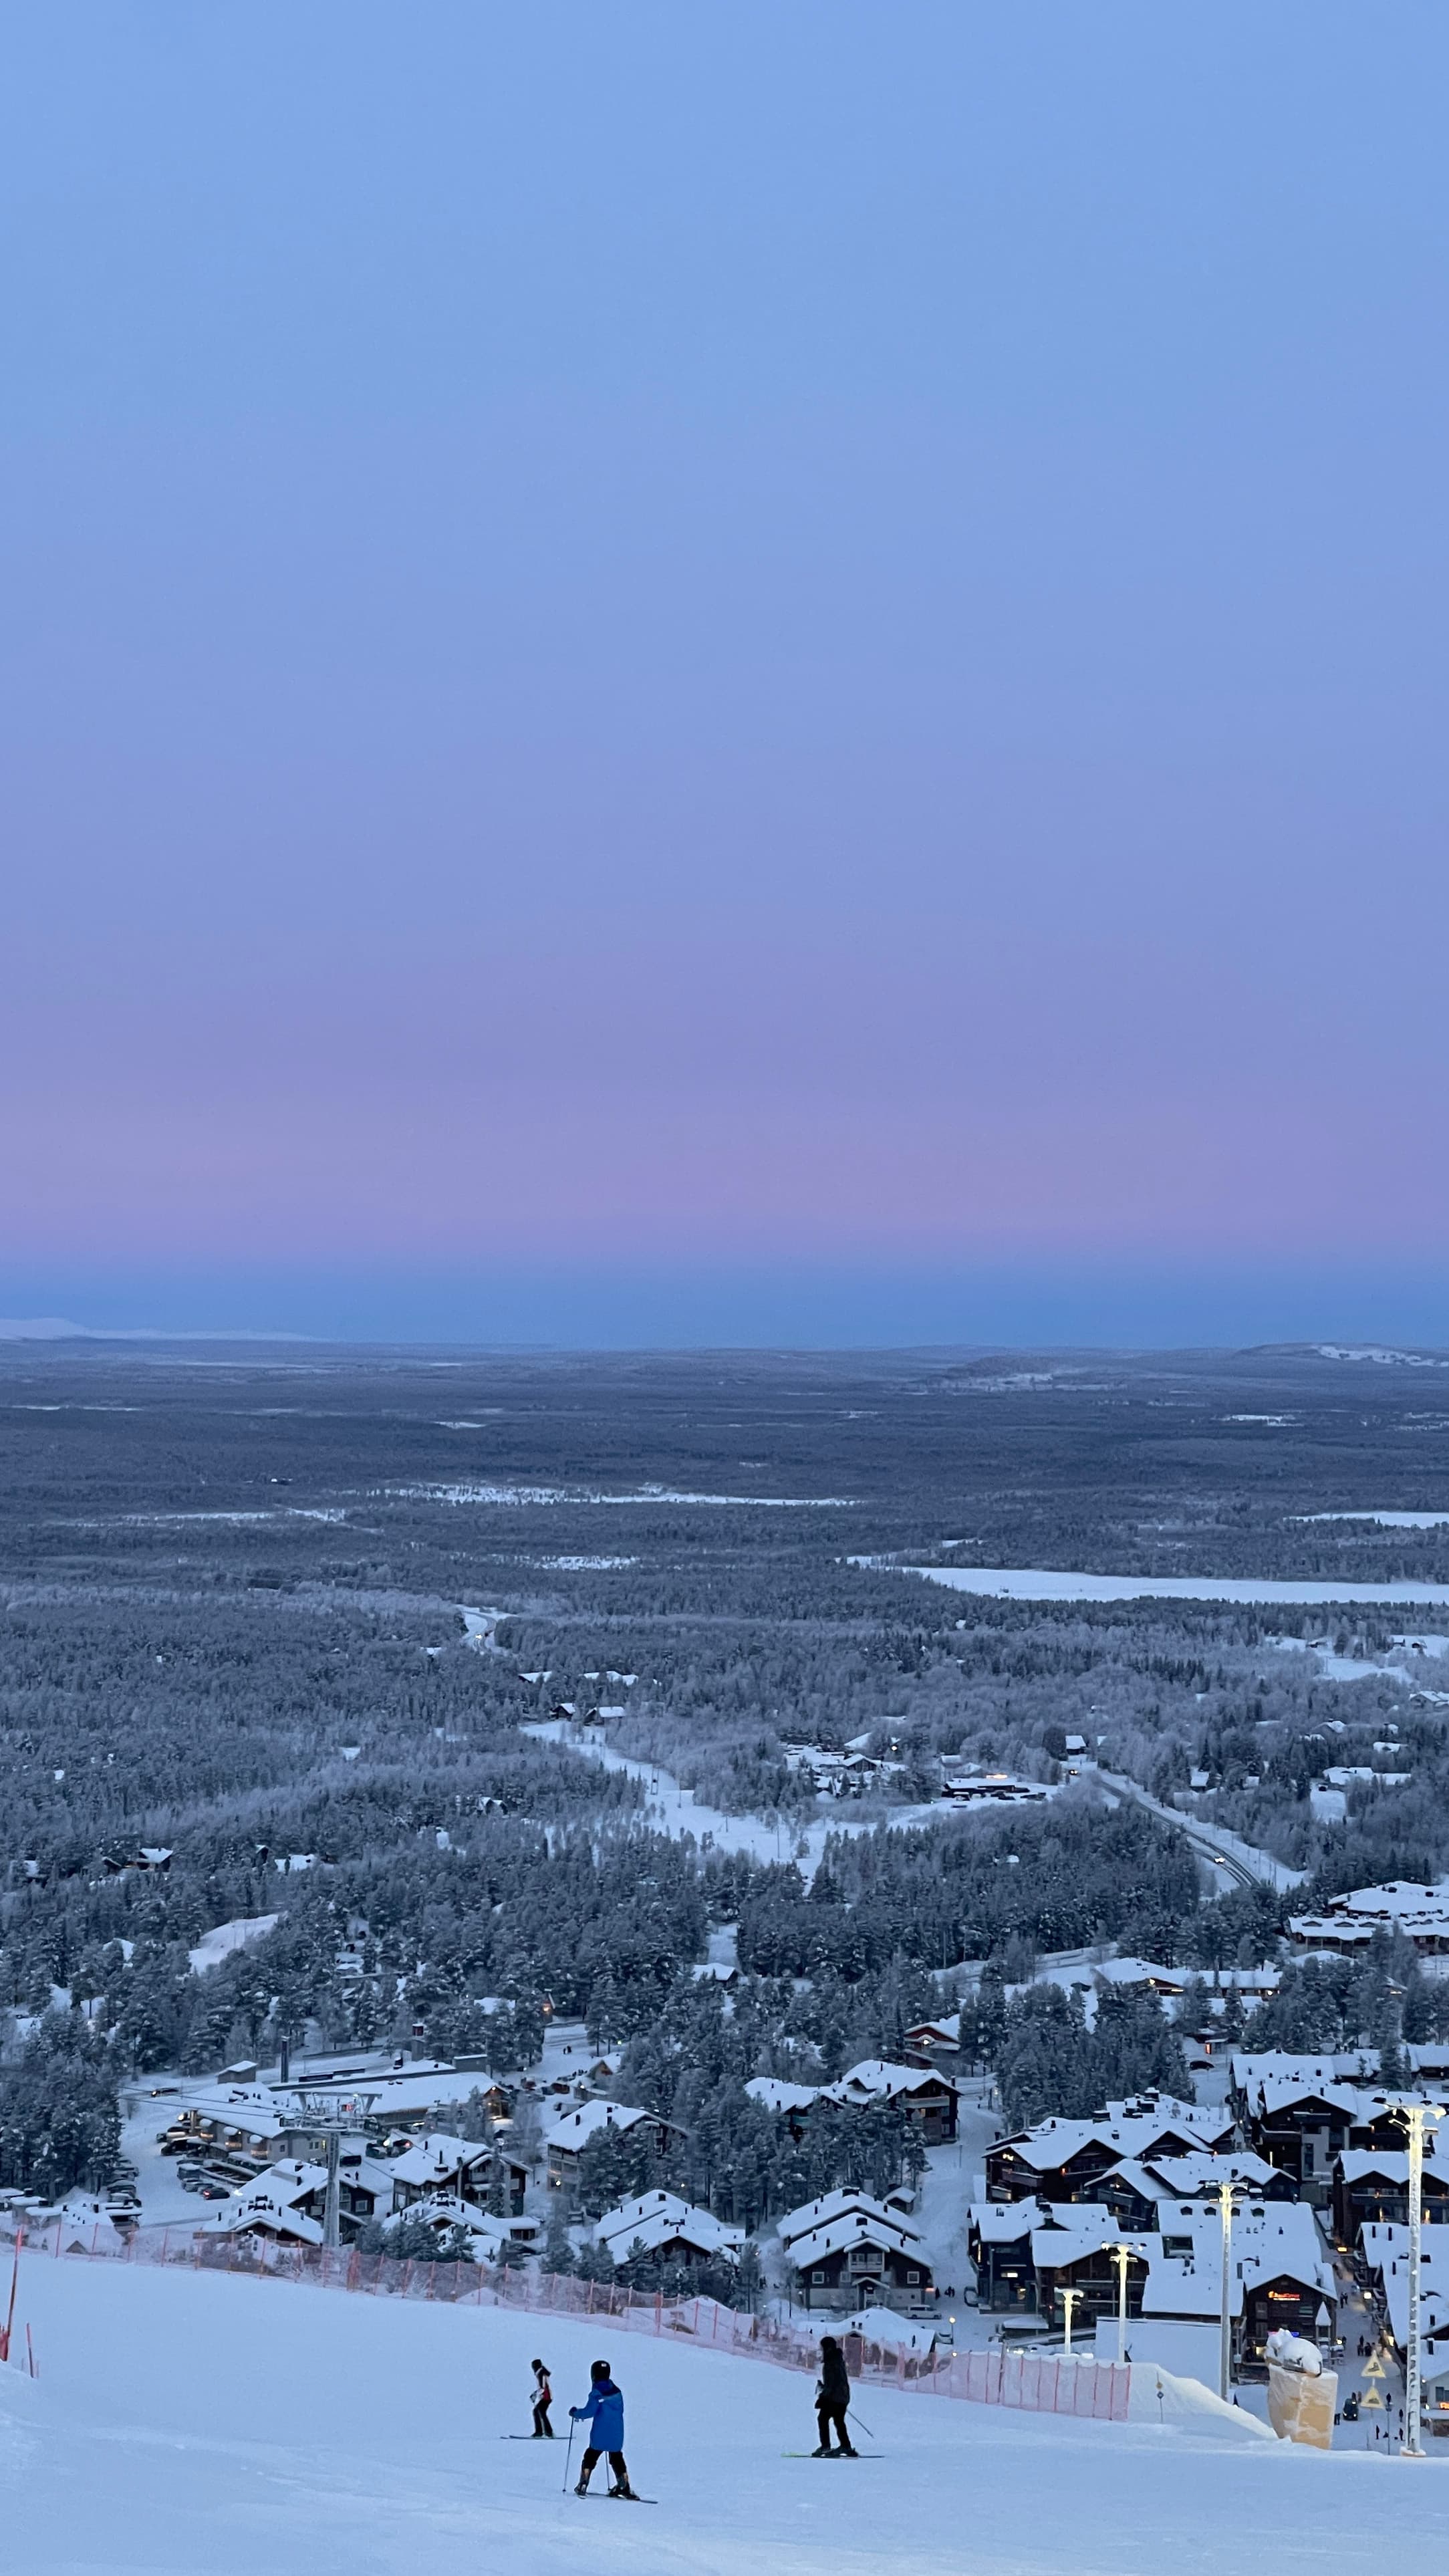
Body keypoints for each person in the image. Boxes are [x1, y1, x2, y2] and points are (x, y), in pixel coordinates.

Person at [571, 2358, 634, 2496]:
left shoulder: (596, 2393)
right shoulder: (617, 2392)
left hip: (600, 2433)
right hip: (617, 2433)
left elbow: (589, 2412)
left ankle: (583, 2483)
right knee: (617, 2458)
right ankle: (624, 2486)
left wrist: (575, 2413)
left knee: (590, 2456)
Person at [814, 2335, 855, 2456]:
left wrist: (823, 2397)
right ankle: (846, 2446)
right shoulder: (837, 2359)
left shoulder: (831, 2362)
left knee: (823, 2418)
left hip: (835, 2397)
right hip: (842, 2396)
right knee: (838, 2421)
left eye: (823, 2348)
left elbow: (832, 2383)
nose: (821, 2351)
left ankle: (826, 2446)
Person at [529, 2359, 553, 2438]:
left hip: (546, 2397)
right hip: (546, 2396)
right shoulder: (541, 2372)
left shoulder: (541, 2373)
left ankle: (544, 2432)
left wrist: (535, 2395)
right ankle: (545, 2432)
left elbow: (543, 2387)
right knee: (538, 2411)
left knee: (539, 2411)